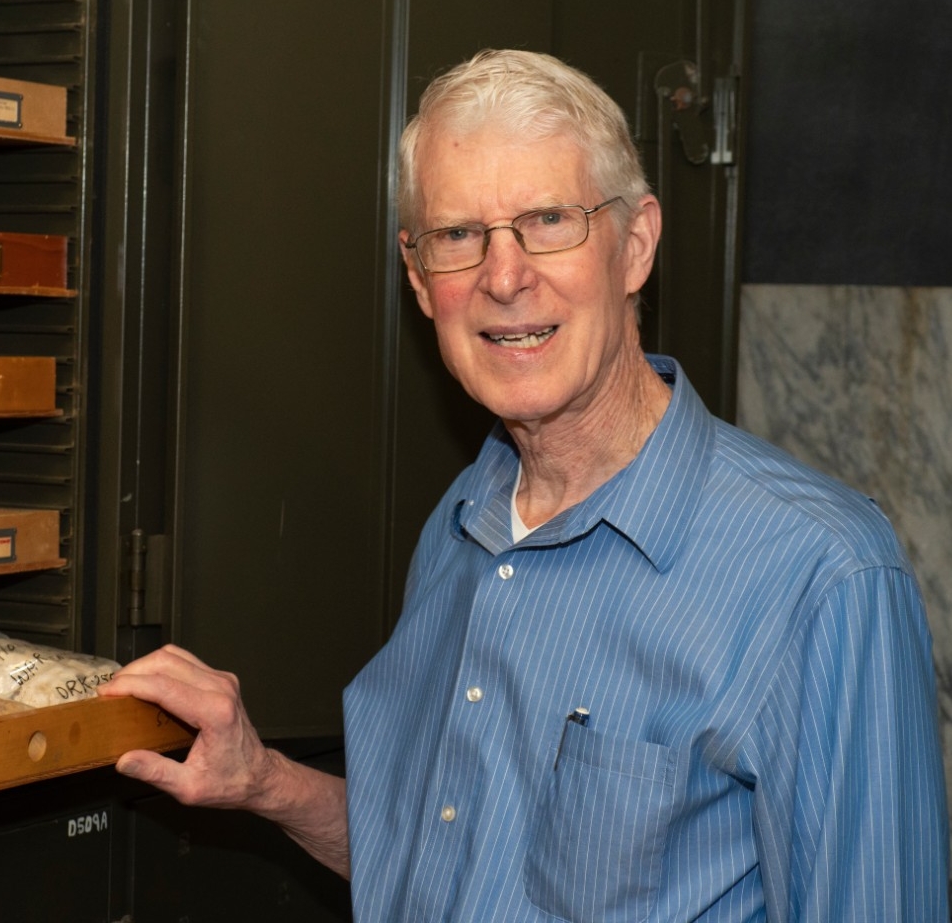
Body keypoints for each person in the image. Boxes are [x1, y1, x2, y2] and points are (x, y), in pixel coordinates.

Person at [100, 48, 949, 921]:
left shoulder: (822, 573)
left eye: (549, 219)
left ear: (637, 245)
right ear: (420, 278)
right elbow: (442, 868)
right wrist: (261, 778)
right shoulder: (461, 528)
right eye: (459, 235)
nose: (503, 277)